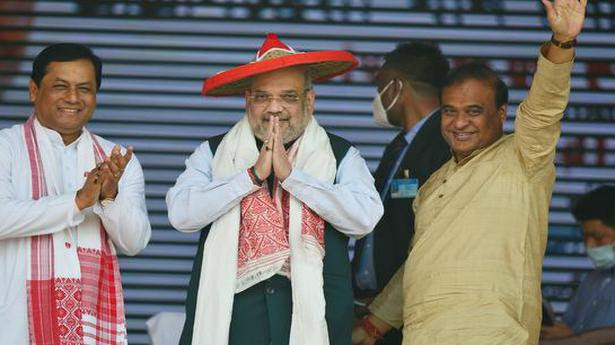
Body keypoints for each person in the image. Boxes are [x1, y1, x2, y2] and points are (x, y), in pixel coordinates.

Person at [352, 0, 587, 344]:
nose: (459, 123)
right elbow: (419, 266)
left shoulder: (523, 158)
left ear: (501, 114)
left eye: (474, 111)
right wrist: (373, 326)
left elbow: (544, 108)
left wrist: (562, 42)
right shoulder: (433, 184)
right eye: (450, 111)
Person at [166, 33, 383, 345]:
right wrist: (250, 177)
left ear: (310, 100)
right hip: (233, 320)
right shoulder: (212, 153)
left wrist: (293, 178)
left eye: (289, 97)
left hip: (314, 314)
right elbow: (182, 214)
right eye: (262, 97)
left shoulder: (340, 154)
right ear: (247, 101)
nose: (274, 109)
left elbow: (364, 218)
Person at [0, 43, 151, 345]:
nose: (73, 98)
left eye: (84, 88)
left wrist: (110, 197)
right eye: (60, 86)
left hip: (88, 326)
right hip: (14, 324)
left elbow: (135, 242)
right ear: (33, 91)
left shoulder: (116, 159)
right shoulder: (6, 147)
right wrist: (78, 201)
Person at [351, 42, 451, 344]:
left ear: (396, 86)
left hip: (410, 314)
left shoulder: (444, 142)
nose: (377, 99)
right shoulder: (399, 146)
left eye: (380, 87)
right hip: (374, 310)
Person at [540, 185, 615, 345]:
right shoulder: (592, 280)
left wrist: (573, 338)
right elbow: (569, 327)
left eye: (598, 236)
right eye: (585, 236)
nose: (588, 245)